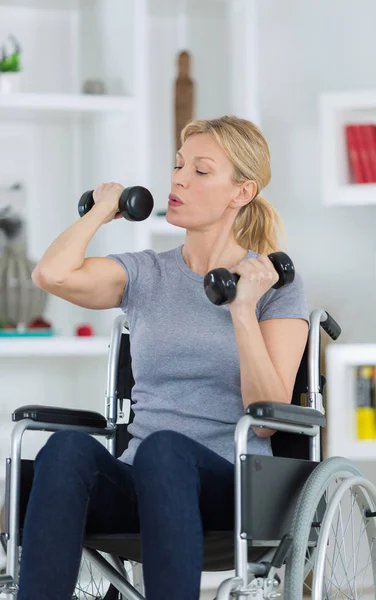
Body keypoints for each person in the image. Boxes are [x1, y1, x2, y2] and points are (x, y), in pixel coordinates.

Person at [17, 115, 309, 600]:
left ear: (242, 191)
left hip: (232, 486)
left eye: (200, 170)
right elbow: (51, 275)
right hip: (141, 478)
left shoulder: (272, 287)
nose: (178, 179)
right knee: (65, 449)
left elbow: (265, 420)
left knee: (165, 450)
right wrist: (100, 213)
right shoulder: (146, 274)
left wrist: (242, 310)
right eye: (178, 166)